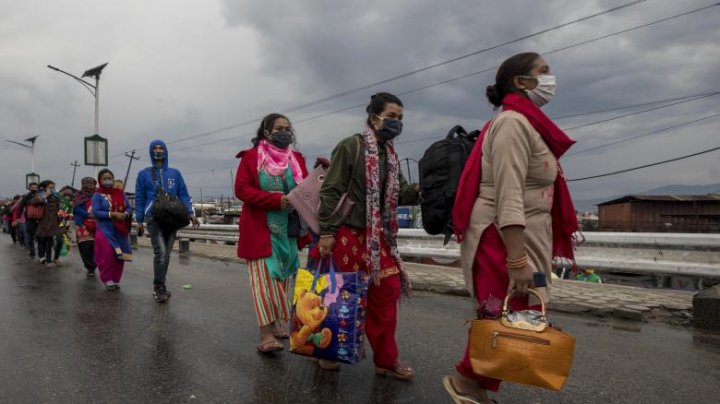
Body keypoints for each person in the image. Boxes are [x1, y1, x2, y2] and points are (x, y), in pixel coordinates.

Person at [444, 52, 579, 403]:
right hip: (501, 239)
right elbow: (508, 192)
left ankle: (476, 385)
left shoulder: (528, 125)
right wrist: (517, 260)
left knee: (520, 313)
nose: (552, 79)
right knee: (510, 316)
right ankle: (465, 379)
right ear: (521, 82)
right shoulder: (512, 124)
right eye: (544, 72)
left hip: (525, 238)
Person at [316, 92, 419, 378]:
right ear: (374, 118)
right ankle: (326, 349)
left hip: (378, 238)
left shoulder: (392, 155)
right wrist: (327, 232)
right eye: (392, 116)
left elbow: (400, 192)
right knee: (340, 296)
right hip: (347, 234)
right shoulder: (352, 146)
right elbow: (331, 190)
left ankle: (386, 359)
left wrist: (425, 189)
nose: (397, 122)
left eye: (400, 118)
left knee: (388, 291)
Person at [234, 113, 311, 353]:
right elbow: (241, 189)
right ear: (266, 132)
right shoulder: (251, 158)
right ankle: (266, 334)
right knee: (264, 282)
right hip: (260, 229)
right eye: (279, 128)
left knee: (283, 278)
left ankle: (277, 322)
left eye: (288, 128)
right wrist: (275, 201)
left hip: (288, 231)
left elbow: (307, 188)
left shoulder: (296, 158)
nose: (285, 132)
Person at [135, 140, 198, 302]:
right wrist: (139, 221)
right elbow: (140, 198)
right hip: (153, 218)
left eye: (161, 148)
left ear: (166, 151)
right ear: (150, 152)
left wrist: (190, 212)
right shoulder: (144, 174)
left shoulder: (175, 173)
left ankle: (161, 284)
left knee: (167, 254)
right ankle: (159, 287)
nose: (158, 151)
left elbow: (183, 193)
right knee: (161, 252)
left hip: (172, 218)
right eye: (155, 148)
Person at [92, 169, 133, 290]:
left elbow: (129, 208)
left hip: (120, 229)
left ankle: (115, 279)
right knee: (107, 255)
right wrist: (112, 214)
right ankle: (107, 279)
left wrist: (125, 214)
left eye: (110, 178)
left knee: (120, 256)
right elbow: (96, 212)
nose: (107, 180)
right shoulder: (97, 195)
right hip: (104, 229)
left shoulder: (120, 193)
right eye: (104, 178)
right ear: (100, 180)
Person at [36, 180, 65, 268]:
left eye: (53, 187)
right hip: (46, 222)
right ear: (45, 188)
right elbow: (34, 202)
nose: (52, 189)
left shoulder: (57, 196)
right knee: (48, 241)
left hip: (58, 221)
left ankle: (56, 258)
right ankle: (48, 260)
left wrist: (64, 216)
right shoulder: (40, 195)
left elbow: (61, 207)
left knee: (60, 240)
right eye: (50, 188)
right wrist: (46, 195)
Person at [74, 177, 98, 277]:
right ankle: (90, 268)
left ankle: (95, 263)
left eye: (91, 183)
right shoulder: (79, 195)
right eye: (87, 183)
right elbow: (77, 208)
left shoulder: (98, 194)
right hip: (82, 224)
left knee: (96, 246)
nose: (89, 185)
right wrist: (87, 215)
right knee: (85, 246)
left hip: (97, 223)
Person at [18, 182, 41, 259]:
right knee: (30, 237)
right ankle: (32, 253)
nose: (34, 188)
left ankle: (41, 254)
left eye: (35, 187)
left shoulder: (41, 196)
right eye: (32, 187)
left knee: (40, 237)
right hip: (29, 220)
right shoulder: (26, 197)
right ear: (29, 188)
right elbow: (21, 207)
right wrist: (18, 218)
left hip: (40, 220)